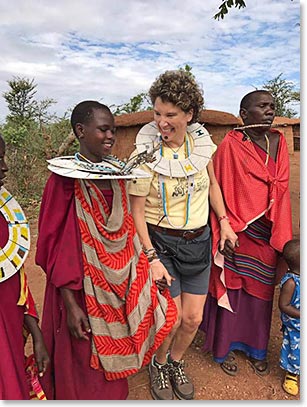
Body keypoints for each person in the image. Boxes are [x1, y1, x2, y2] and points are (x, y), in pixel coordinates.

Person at [35, 100, 177, 400]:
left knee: (113, 369)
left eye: (113, 129)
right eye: (103, 129)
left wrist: (144, 272)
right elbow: (54, 245)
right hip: (77, 292)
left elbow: (126, 234)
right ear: (80, 131)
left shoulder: (117, 176)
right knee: (82, 361)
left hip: (118, 285)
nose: (111, 136)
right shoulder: (62, 182)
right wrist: (71, 305)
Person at [127, 70, 238, 400]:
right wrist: (151, 257)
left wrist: (225, 221)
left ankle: (175, 361)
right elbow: (135, 213)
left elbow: (214, 185)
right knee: (171, 319)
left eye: (171, 114)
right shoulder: (145, 155)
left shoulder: (201, 147)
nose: (162, 121)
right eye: (158, 113)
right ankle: (158, 363)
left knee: (193, 319)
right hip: (161, 245)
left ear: (189, 114)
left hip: (199, 243)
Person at [200, 90, 293, 377]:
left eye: (272, 106)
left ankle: (256, 349)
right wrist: (227, 225)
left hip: (267, 230)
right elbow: (222, 188)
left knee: (262, 292)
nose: (269, 111)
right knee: (233, 286)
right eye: (262, 106)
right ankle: (224, 347)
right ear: (244, 113)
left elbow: (281, 186)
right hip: (237, 231)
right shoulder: (231, 144)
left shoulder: (277, 140)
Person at [0, 134, 49, 399]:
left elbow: (18, 281)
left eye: (4, 158)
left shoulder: (5, 215)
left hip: (11, 330)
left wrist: (37, 336)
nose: (5, 167)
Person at [279, 239, 300, 396]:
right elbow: (284, 306)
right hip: (296, 325)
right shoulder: (291, 283)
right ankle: (292, 374)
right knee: (295, 349)